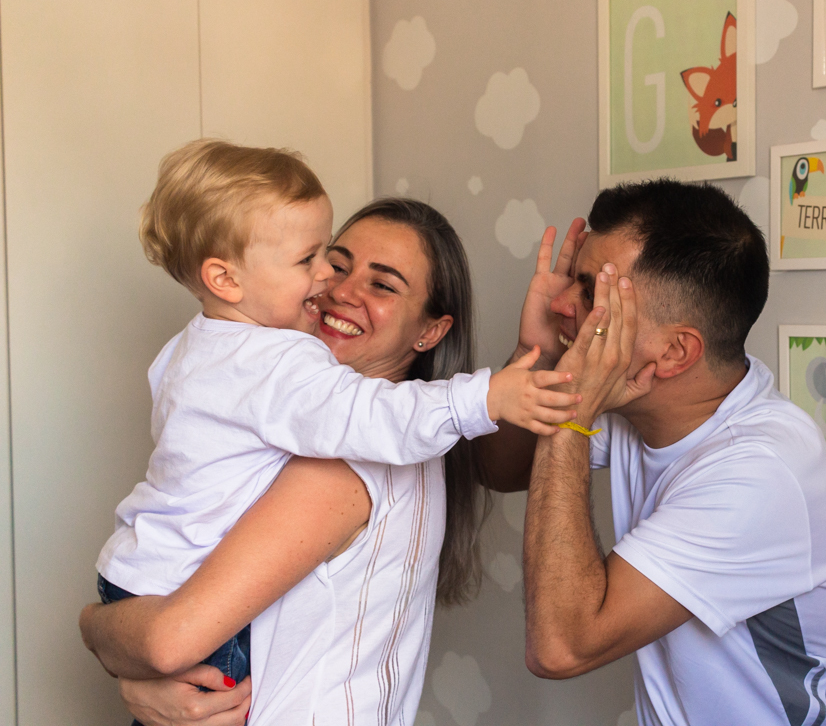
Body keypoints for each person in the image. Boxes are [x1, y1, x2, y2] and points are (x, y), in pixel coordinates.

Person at [93, 142, 577, 694]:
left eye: (382, 284)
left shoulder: (336, 443)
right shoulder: (284, 376)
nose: (336, 286)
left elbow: (165, 644)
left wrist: (96, 627)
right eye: (323, 262)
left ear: (430, 332)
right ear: (229, 279)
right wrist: (490, 393)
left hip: (134, 572)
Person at [518, 179, 826, 726]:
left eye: (590, 293)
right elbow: (500, 466)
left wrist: (570, 419)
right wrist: (536, 353)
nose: (561, 304)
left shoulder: (760, 471)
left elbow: (561, 647)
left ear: (675, 351)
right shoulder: (645, 400)